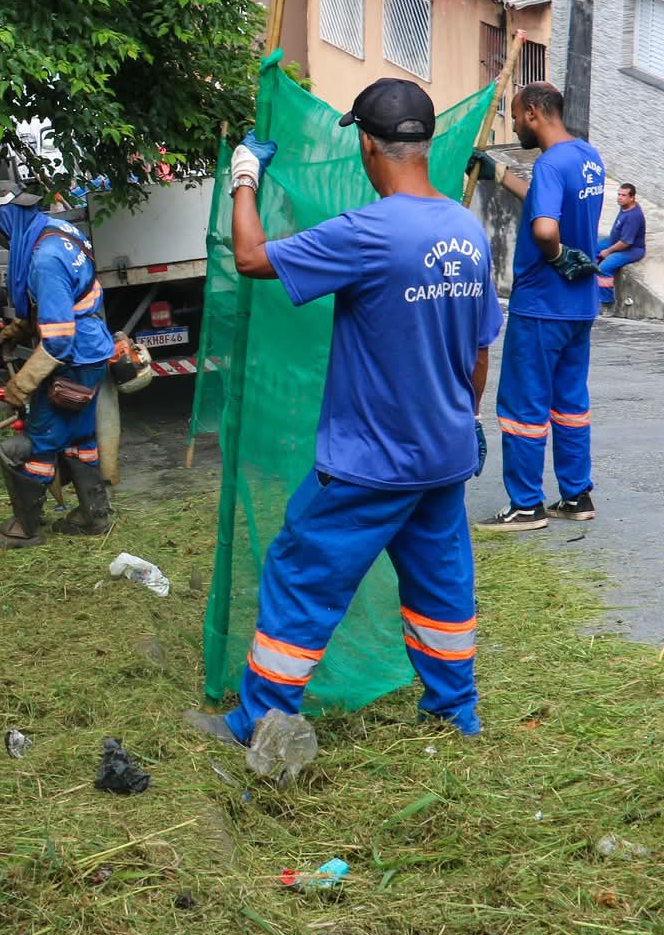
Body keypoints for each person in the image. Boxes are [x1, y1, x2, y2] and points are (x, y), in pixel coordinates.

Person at [186, 78, 501, 747]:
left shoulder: (368, 233)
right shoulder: (467, 231)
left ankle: (259, 720)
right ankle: (455, 711)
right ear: (425, 144)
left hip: (369, 462)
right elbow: (479, 351)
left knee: (299, 573)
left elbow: (250, 257)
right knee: (440, 584)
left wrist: (244, 177)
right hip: (443, 455)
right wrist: (465, 421)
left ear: (367, 146)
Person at [471, 83, 605, 531]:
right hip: (580, 305)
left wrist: (555, 254)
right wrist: (500, 174)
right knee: (570, 402)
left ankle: (526, 505)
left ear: (532, 112)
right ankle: (576, 496)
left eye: (515, 117)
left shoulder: (549, 164)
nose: (514, 126)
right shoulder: (587, 156)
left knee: (523, 403)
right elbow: (547, 200)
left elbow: (546, 228)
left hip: (542, 304)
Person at [0, 184, 120, 544]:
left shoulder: (44, 260)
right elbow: (67, 299)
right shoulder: (59, 229)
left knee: (37, 440)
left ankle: (25, 528)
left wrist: (21, 385)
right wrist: (20, 329)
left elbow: (58, 340)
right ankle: (94, 516)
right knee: (80, 437)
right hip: (91, 350)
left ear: (6, 217)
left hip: (72, 358)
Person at [597, 183, 646, 308]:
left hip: (630, 250)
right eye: (619, 194)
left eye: (623, 195)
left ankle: (607, 303)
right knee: (591, 248)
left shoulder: (633, 217)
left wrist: (608, 251)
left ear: (632, 197)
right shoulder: (625, 206)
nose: (619, 197)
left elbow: (626, 243)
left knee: (603, 269)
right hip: (615, 241)